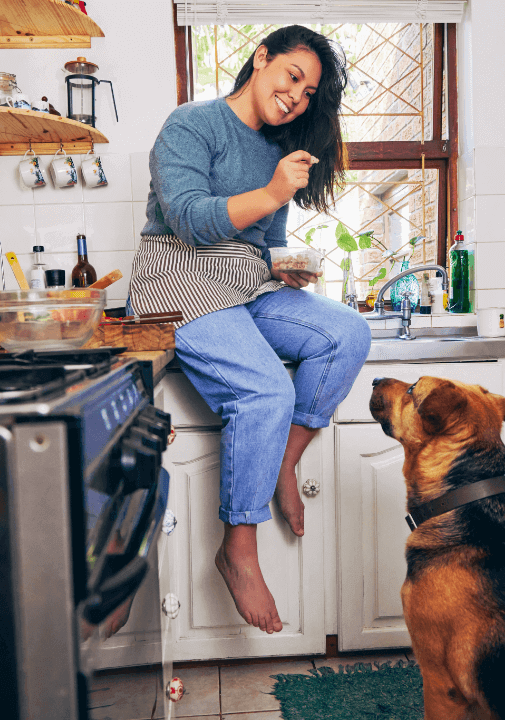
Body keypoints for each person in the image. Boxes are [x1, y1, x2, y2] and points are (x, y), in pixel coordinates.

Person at [129, 25, 371, 634]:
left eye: (310, 92)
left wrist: (285, 263)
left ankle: (282, 464)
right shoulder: (191, 123)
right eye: (293, 76)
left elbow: (262, 240)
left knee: (346, 334)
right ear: (260, 59)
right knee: (267, 391)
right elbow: (188, 219)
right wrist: (270, 192)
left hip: (249, 281)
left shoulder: (278, 151)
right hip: (178, 280)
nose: (297, 96)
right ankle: (238, 546)